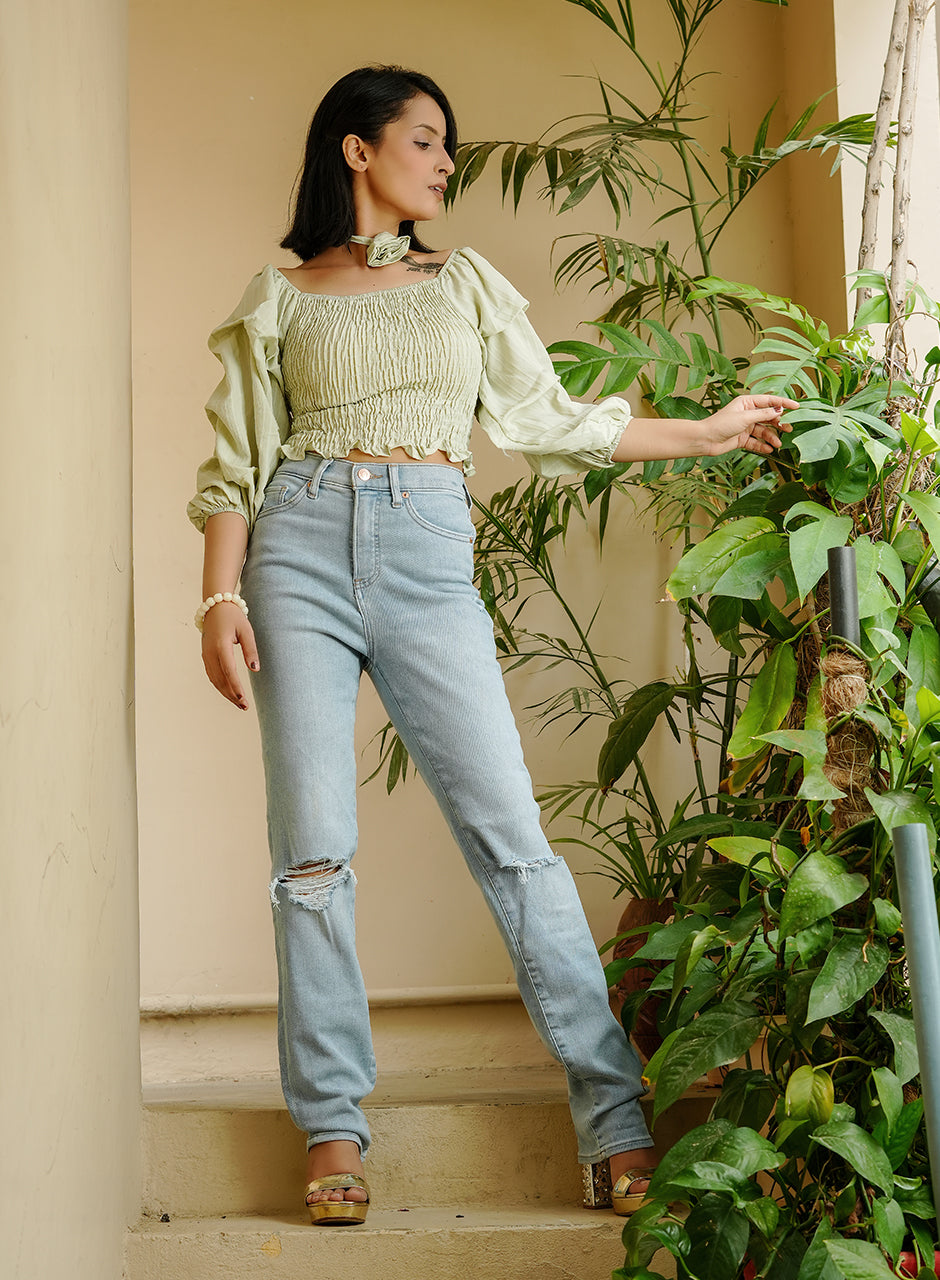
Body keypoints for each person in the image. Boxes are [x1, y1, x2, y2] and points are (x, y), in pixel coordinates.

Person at [187, 64, 795, 1227]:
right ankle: (330, 1125)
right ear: (356, 150)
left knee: (515, 845)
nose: (445, 161)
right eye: (424, 139)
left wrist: (706, 432)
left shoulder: (459, 282)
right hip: (296, 547)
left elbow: (548, 422)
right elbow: (234, 465)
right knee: (310, 855)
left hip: (425, 549)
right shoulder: (279, 296)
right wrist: (216, 601)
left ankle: (614, 1123)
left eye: (447, 145)